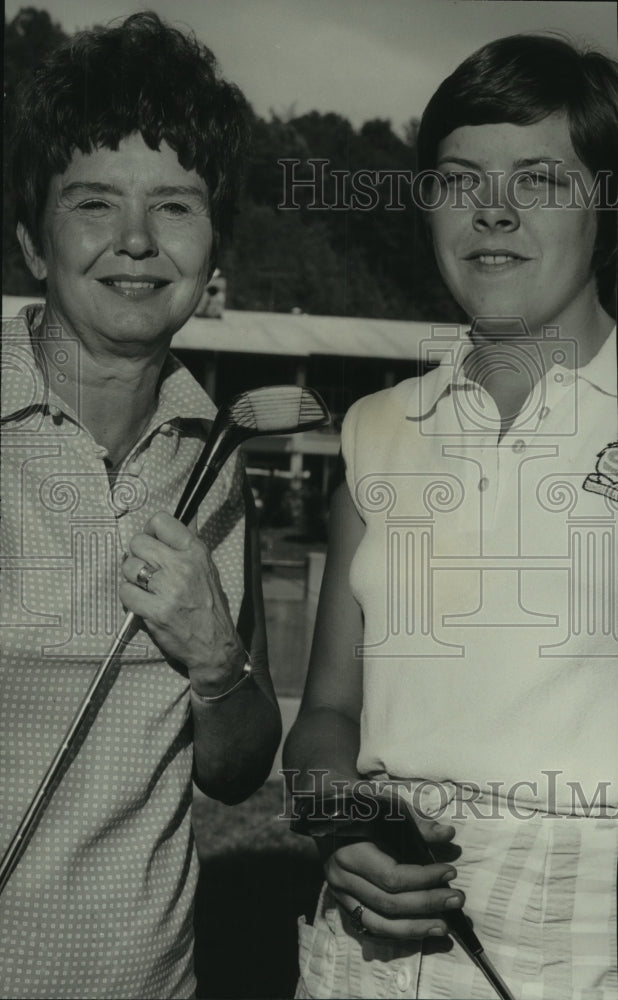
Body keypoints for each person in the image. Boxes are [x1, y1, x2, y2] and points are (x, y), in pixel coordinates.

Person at [284, 33, 617, 1000]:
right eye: (459, 178)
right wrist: (337, 817)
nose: (494, 211)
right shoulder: (376, 431)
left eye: (542, 179)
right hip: (366, 932)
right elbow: (326, 720)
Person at [0, 12, 281, 999]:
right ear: (34, 239)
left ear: (212, 259)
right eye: (94, 203)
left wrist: (216, 659)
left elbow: (237, 770)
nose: (134, 241)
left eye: (173, 206)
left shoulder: (215, 457)